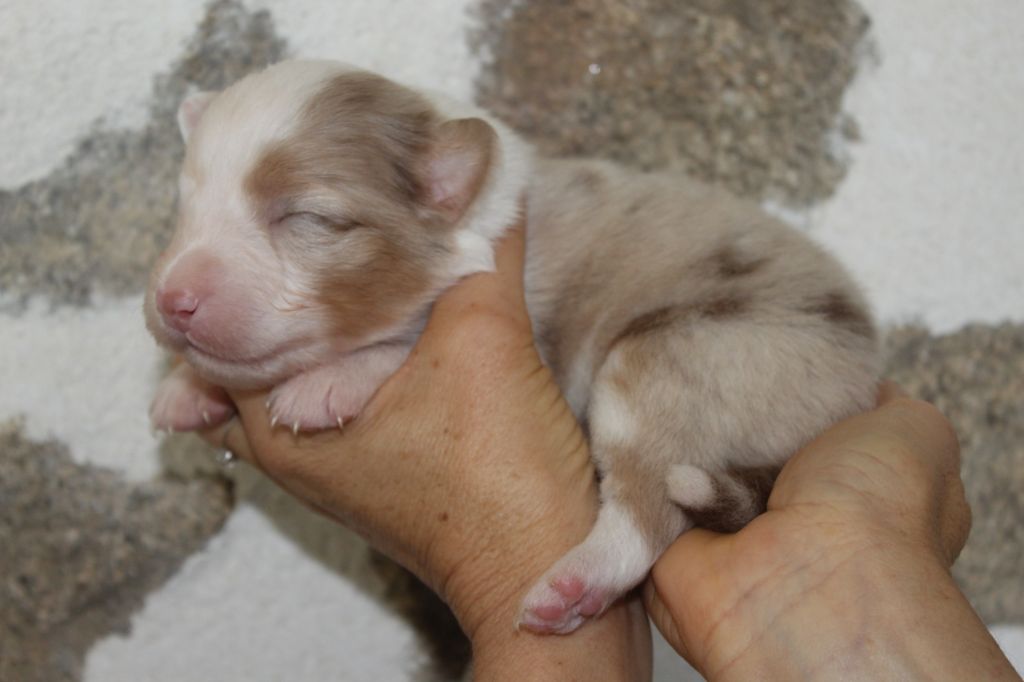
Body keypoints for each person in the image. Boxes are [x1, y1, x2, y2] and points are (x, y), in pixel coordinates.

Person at [202, 223, 1020, 681]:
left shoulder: (472, 238)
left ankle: (632, 534)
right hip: (741, 372)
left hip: (737, 338)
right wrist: (843, 577)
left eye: (297, 221)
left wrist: (502, 558)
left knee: (643, 374)